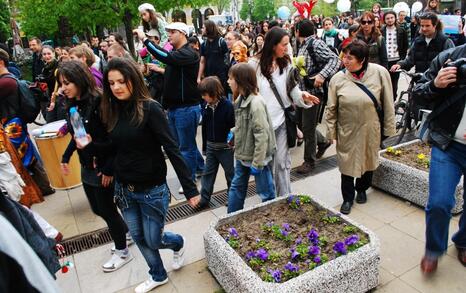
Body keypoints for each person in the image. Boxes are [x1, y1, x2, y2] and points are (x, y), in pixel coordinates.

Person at [100, 57, 199, 293]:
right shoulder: (111, 109)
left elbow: (172, 148)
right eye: (111, 83)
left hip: (152, 190)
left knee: (154, 239)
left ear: (133, 80)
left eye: (121, 81)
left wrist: (191, 188)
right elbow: (114, 147)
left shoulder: (150, 108)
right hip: (124, 190)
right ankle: (157, 274)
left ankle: (177, 243)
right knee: (139, 238)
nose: (116, 87)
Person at [57, 60, 132, 272]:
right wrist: (66, 156)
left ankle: (122, 251)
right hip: (87, 165)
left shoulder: (100, 102)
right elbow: (78, 136)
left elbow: (114, 140)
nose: (63, 88)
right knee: (97, 208)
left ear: (79, 80)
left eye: (66, 82)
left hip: (102, 166)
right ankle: (125, 233)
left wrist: (108, 169)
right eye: (61, 83)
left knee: (107, 210)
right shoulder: (73, 104)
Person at [412, 44, 466, 274]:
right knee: (439, 203)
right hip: (448, 145)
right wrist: (436, 85)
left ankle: (463, 241)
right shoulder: (450, 57)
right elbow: (418, 93)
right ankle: (434, 250)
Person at [324, 40, 395, 215]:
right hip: (347, 129)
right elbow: (331, 108)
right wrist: (330, 132)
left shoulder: (379, 73)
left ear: (362, 60)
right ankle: (347, 198)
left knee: (368, 159)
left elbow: (388, 103)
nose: (345, 61)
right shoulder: (337, 79)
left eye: (350, 58)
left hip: (371, 127)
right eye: (344, 57)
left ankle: (362, 188)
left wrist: (388, 129)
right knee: (346, 164)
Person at [248, 27, 320, 197]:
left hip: (281, 122)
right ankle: (269, 199)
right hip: (261, 125)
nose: (287, 48)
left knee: (282, 163)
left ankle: (285, 198)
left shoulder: (286, 64)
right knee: (265, 165)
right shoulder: (253, 65)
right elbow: (248, 94)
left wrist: (303, 96)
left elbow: (292, 90)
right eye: (284, 45)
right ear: (272, 45)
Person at [134, 22, 205, 192]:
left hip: (186, 108)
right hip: (175, 108)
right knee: (185, 144)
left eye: (172, 32)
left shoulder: (188, 52)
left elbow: (166, 57)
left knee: (184, 148)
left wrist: (145, 40)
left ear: (182, 34)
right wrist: (160, 70)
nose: (169, 35)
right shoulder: (178, 53)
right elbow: (174, 70)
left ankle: (189, 180)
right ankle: (201, 168)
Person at [226, 63, 276, 213]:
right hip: (243, 154)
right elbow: (245, 124)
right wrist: (234, 132)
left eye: (231, 79)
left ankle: (270, 220)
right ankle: (231, 218)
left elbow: (262, 134)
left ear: (240, 81)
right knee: (236, 187)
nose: (228, 82)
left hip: (257, 157)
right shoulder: (240, 99)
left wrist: (257, 162)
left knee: (266, 192)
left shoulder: (256, 103)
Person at [295, 19, 340, 174]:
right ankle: (323, 141)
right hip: (302, 94)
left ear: (297, 32)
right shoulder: (302, 45)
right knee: (301, 124)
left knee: (307, 128)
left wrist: (321, 75)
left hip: (314, 94)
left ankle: (309, 161)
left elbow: (335, 60)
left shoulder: (314, 43)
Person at [198, 76, 235, 209]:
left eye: (205, 94)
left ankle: (233, 198)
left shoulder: (228, 106)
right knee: (208, 174)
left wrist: (232, 143)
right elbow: (204, 129)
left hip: (225, 148)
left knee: (230, 174)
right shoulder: (206, 106)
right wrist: (204, 147)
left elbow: (233, 127)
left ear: (213, 93)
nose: (203, 97)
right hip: (211, 147)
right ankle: (204, 198)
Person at [390, 12, 455, 74]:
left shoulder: (445, 41)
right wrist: (399, 64)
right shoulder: (418, 41)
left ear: (435, 25)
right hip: (420, 79)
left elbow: (452, 61)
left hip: (438, 79)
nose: (424, 28)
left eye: (427, 26)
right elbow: (410, 59)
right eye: (422, 25)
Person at [381, 11, 409, 99]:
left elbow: (405, 46)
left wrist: (402, 60)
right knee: (384, 82)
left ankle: (393, 99)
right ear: (384, 20)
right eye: (387, 18)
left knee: (394, 82)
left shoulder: (401, 30)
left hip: (396, 61)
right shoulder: (381, 31)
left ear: (395, 18)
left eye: (391, 18)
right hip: (384, 60)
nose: (390, 20)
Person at [197, 20, 229, 91]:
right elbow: (202, 62)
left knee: (221, 97)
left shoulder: (221, 42)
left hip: (221, 77)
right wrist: (199, 77)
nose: (202, 29)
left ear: (209, 28)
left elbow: (227, 59)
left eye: (203, 27)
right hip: (208, 76)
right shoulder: (204, 44)